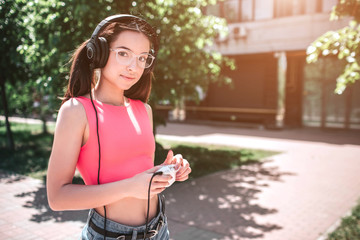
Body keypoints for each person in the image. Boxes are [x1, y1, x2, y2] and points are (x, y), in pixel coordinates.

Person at [46, 14, 191, 240]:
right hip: (110, 235)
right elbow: (57, 198)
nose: (134, 66)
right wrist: (129, 187)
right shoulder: (76, 110)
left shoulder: (145, 110)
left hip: (159, 229)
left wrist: (167, 171)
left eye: (143, 58)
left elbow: (136, 169)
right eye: (123, 54)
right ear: (100, 53)